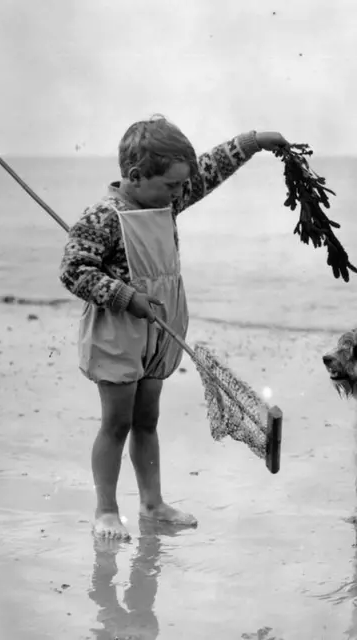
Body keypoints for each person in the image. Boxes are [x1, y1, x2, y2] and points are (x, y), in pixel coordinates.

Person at [59, 114, 289, 540]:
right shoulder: (102, 218)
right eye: (172, 184)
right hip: (118, 330)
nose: (182, 192)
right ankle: (106, 510)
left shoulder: (166, 201)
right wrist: (125, 296)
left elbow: (211, 169)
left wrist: (252, 141)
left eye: (183, 185)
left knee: (147, 420)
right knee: (117, 423)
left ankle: (152, 503)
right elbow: (74, 271)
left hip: (161, 327)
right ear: (134, 176)